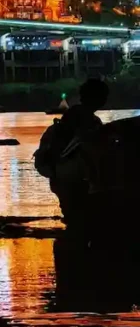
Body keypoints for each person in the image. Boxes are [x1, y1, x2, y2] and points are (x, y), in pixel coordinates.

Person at [34, 78, 110, 233]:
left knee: (75, 218)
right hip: (73, 174)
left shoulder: (75, 115)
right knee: (81, 219)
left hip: (62, 174)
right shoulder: (87, 120)